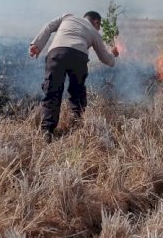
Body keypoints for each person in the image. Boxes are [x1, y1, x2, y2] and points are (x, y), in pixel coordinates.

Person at [29, 11, 119, 142]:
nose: (98, 29)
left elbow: (48, 27)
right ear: (96, 22)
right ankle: (76, 126)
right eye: (99, 26)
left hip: (56, 53)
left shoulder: (67, 16)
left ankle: (46, 132)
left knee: (52, 91)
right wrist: (113, 56)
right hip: (78, 57)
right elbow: (106, 59)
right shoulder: (94, 32)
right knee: (77, 93)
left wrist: (36, 45)